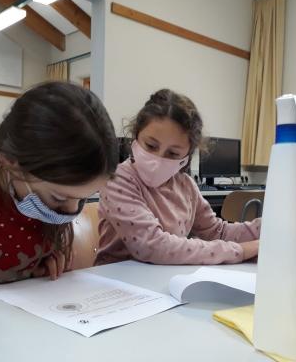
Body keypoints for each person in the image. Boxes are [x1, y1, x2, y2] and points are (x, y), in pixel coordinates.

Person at [0, 81, 118, 288]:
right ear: (10, 161)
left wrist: (44, 261)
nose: (71, 212)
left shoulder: (46, 199)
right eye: (59, 198)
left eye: (82, 200)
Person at [95, 89, 260, 265]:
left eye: (173, 153)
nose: (158, 158)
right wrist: (242, 250)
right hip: (117, 283)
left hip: (165, 281)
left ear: (186, 157)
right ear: (135, 137)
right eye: (151, 146)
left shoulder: (186, 186)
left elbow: (217, 232)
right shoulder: (118, 179)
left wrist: (268, 227)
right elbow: (152, 246)